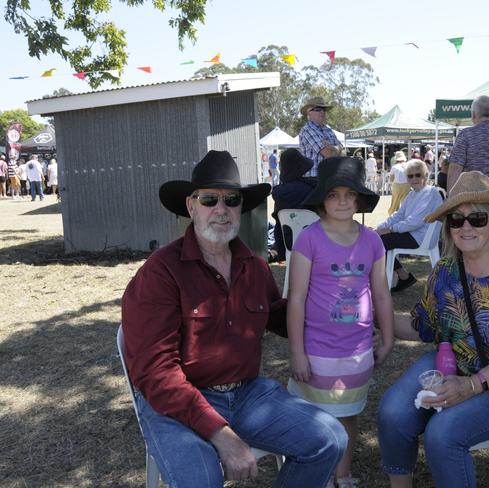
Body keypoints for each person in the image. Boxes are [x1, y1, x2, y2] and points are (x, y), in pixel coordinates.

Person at [121, 150, 347, 488]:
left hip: (247, 393)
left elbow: (279, 317)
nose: (221, 210)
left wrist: (339, 321)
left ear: (242, 207)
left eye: (232, 200)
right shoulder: (161, 272)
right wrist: (222, 435)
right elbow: (157, 372)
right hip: (178, 400)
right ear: (190, 206)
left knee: (330, 439)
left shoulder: (253, 266)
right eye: (209, 199)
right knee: (201, 479)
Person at [377, 171, 489, 488]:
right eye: (456, 220)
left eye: (477, 218)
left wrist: (471, 385)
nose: (466, 227)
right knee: (392, 412)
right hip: (454, 365)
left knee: (443, 433)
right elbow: (424, 326)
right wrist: (374, 319)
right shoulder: (445, 270)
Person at [287, 156, 394, 488]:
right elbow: (297, 298)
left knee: (348, 416)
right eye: (334, 195)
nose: (343, 201)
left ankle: (342, 473)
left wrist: (388, 337)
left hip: (357, 353)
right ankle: (315, 472)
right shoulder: (309, 238)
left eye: (350, 194)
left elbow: (381, 293)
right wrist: (297, 353)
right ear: (322, 199)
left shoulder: (373, 240)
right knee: (313, 421)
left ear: (359, 198)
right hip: (316, 352)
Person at [376, 159, 443, 292]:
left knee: (379, 242)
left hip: (421, 238)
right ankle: (403, 276)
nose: (414, 178)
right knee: (377, 239)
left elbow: (415, 222)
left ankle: (381, 283)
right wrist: (379, 228)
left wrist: (389, 229)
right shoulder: (412, 194)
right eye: (410, 176)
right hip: (412, 234)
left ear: (425, 175)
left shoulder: (430, 193)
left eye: (418, 175)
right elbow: (398, 215)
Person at [269, 149, 317, 262]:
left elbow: (278, 223)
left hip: (289, 243)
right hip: (315, 242)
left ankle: (278, 252)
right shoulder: (314, 188)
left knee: (278, 221)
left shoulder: (279, 193)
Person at [298, 96, 342, 177]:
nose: (322, 112)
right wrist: (337, 148)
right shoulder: (307, 130)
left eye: (324, 109)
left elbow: (342, 150)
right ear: (309, 112)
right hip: (314, 180)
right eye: (318, 109)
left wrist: (332, 147)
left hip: (330, 178)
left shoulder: (328, 129)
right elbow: (328, 153)